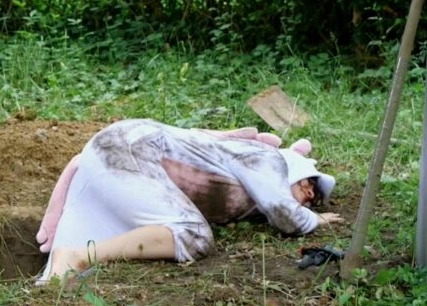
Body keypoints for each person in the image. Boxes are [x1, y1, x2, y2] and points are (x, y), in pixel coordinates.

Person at [34, 119, 341, 283]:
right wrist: (313, 219)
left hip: (123, 148)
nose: (310, 196)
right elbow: (284, 214)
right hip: (132, 148)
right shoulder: (269, 158)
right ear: (293, 166)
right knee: (194, 235)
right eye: (310, 184)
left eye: (315, 200)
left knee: (59, 277)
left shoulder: (249, 177)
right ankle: (80, 256)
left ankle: (67, 265)